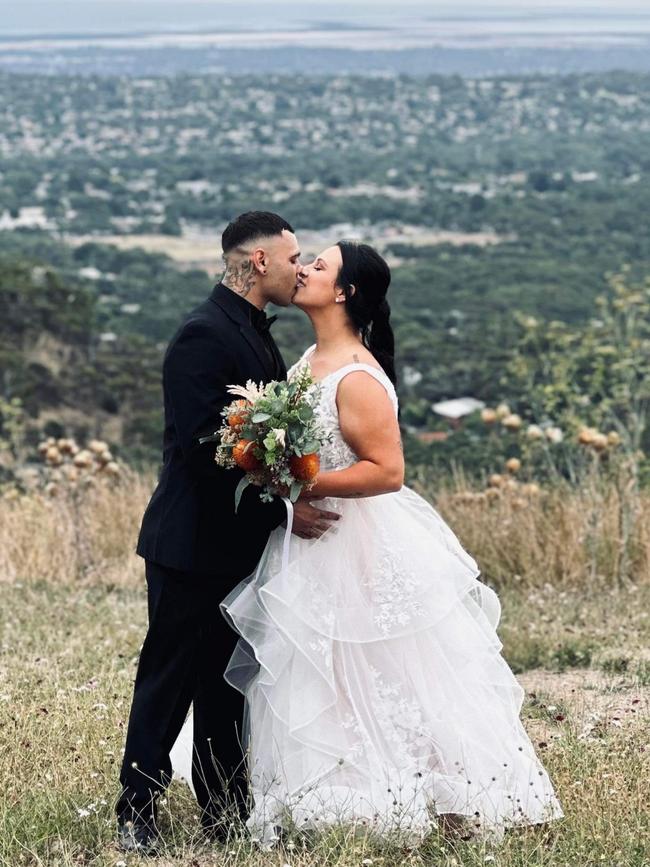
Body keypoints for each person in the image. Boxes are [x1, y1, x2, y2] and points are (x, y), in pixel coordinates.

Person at [172, 240, 565, 847]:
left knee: (377, 667)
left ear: (345, 293)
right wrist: (278, 485)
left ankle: (414, 791)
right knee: (312, 668)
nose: (303, 270)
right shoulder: (305, 362)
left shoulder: (357, 376)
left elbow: (386, 472)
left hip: (353, 541)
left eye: (319, 266)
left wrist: (300, 483)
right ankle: (318, 791)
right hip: (305, 538)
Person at [116, 212, 340, 854]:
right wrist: (288, 511)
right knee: (169, 680)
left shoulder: (254, 333)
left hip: (239, 547)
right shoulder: (202, 335)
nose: (302, 267)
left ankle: (224, 814)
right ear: (260, 261)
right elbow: (203, 450)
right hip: (189, 546)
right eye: (295, 255)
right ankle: (136, 815)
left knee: (227, 683)